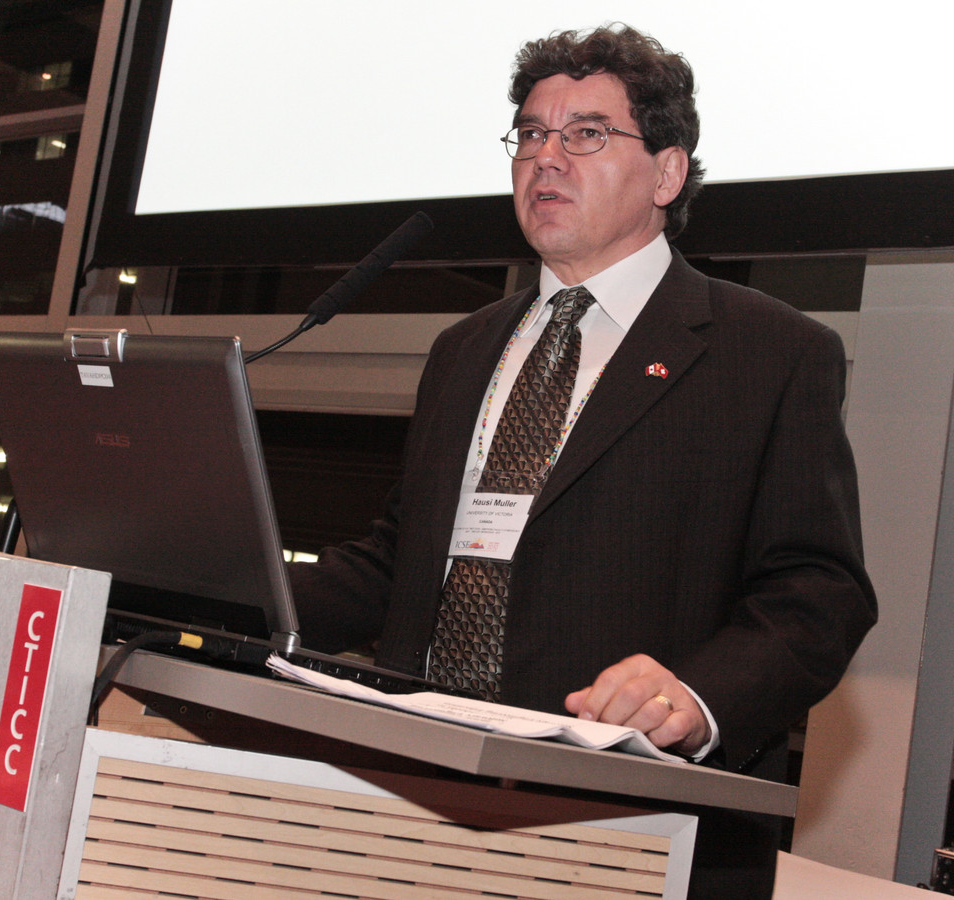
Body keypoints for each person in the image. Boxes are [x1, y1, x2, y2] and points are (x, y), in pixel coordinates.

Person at [290, 24, 876, 898]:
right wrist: (228, 590)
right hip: (414, 795)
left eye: (587, 134)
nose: (546, 158)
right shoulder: (463, 349)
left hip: (621, 822)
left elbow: (819, 592)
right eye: (531, 133)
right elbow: (401, 560)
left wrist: (695, 698)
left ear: (667, 175)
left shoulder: (771, 353)